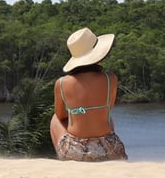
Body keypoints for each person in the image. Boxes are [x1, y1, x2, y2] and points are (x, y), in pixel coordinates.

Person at [50, 27, 128, 162]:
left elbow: (61, 115)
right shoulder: (111, 79)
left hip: (76, 152)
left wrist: (78, 111)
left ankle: (65, 161)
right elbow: (108, 108)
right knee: (107, 116)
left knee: (55, 119)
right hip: (109, 150)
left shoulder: (62, 83)